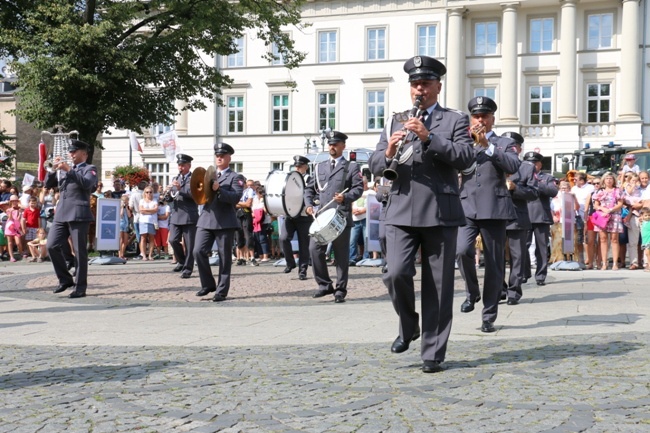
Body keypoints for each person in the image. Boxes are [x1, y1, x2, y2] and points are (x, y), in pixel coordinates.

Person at [368, 55, 474, 373]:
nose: (419, 89)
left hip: (440, 211)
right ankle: (409, 324)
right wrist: (387, 152)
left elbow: (466, 157)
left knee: (439, 286)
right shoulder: (395, 119)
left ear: (437, 87)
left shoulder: (454, 120)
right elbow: (375, 163)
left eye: (425, 83)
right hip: (400, 209)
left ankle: (433, 352)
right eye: (415, 84)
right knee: (395, 272)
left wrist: (430, 137)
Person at [455, 96, 520, 333]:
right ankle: (472, 292)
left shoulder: (504, 143)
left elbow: (513, 166)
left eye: (484, 116)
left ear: (492, 119)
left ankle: (489, 315)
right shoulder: (462, 141)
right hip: (466, 206)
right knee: (461, 250)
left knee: (494, 264)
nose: (480, 120)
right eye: (476, 116)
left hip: (494, 207)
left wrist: (488, 147)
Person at [305, 131, 363, 304]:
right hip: (322, 218)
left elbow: (358, 188)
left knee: (341, 256)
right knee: (314, 250)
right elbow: (309, 189)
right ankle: (324, 285)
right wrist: (308, 204)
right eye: (330, 144)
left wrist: (345, 197)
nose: (332, 146)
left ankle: (340, 289)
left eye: (336, 144)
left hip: (341, 217)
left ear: (343, 146)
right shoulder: (319, 167)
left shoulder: (351, 167)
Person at [46, 139, 98, 298]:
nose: (71, 154)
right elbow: (47, 184)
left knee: (80, 252)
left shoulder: (90, 169)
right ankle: (65, 279)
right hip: (61, 212)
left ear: (84, 154)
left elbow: (87, 184)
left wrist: (68, 169)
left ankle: (80, 287)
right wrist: (53, 170)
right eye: (70, 152)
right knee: (51, 245)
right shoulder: (66, 170)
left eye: (74, 152)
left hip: (78, 213)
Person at [193, 143, 245, 302]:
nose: (219, 158)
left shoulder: (236, 177)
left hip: (224, 221)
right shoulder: (209, 175)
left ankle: (221, 291)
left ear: (229, 157)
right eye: (217, 155)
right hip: (206, 219)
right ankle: (208, 284)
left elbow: (235, 197)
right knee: (198, 251)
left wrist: (219, 189)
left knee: (224, 257)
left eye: (222, 155)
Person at [503, 132, 538, 305]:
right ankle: (500, 288)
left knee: (517, 257)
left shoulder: (526, 167)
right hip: (496, 216)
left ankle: (514, 291)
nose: (510, 148)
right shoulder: (494, 162)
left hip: (517, 216)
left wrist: (516, 188)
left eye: (513, 145)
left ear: (519, 148)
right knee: (494, 257)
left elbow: (533, 193)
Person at [524, 151, 558, 286]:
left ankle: (541, 276)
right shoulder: (521, 175)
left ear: (540, 164)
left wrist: (536, 182)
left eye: (535, 163)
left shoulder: (547, 177)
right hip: (525, 215)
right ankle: (524, 272)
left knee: (542, 248)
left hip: (541, 216)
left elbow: (553, 191)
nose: (532, 165)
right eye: (529, 163)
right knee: (522, 247)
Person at [165, 154, 199, 278]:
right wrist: (168, 194)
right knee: (173, 240)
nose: (180, 167)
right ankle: (181, 261)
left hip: (190, 215)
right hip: (176, 214)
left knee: (190, 244)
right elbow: (172, 197)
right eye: (179, 165)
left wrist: (181, 189)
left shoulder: (194, 179)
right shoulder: (175, 178)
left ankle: (188, 268)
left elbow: (195, 195)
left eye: (183, 165)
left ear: (188, 166)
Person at [280, 155, 313, 280]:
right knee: (283, 238)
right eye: (296, 166)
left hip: (304, 215)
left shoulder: (309, 179)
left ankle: (303, 270)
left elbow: (312, 194)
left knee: (304, 244)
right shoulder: (290, 178)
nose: (297, 168)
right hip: (291, 214)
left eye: (300, 166)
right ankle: (290, 262)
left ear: (306, 167)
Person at [592, 171, 625, 270]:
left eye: (611, 178)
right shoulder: (600, 191)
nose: (609, 180)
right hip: (602, 216)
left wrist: (610, 210)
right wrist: (603, 209)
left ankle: (615, 263)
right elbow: (596, 205)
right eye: (607, 178)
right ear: (604, 180)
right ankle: (604, 263)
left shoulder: (617, 190)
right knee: (603, 239)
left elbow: (620, 204)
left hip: (614, 215)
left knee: (614, 239)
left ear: (614, 180)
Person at [570, 172, 594, 265]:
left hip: (588, 215)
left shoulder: (590, 188)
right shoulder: (573, 188)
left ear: (582, 180)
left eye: (576, 179)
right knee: (579, 238)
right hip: (576, 216)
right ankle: (581, 258)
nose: (574, 180)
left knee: (587, 238)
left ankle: (589, 258)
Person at [235, 179, 256, 266]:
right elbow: (233, 204)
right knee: (238, 236)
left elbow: (248, 204)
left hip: (246, 213)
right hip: (237, 213)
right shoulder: (236, 191)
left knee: (248, 235)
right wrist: (242, 203)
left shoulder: (249, 190)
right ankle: (241, 258)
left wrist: (238, 203)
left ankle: (252, 258)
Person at [349, 176, 369, 264]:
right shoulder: (355, 192)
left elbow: (374, 205)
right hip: (355, 219)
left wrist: (364, 210)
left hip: (365, 219)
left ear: (365, 184)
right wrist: (352, 210)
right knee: (352, 240)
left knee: (366, 239)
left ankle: (366, 257)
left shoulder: (371, 192)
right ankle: (351, 258)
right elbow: (350, 202)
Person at [139, 186, 158, 261]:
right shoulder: (142, 201)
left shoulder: (154, 200)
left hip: (152, 221)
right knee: (143, 238)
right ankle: (143, 255)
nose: (149, 193)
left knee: (151, 238)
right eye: (147, 192)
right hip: (143, 221)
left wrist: (146, 210)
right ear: (144, 193)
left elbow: (156, 209)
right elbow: (141, 210)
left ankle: (150, 254)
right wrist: (151, 210)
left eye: (150, 192)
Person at [252, 186, 271, 262]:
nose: (260, 195)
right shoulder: (255, 199)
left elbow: (266, 211)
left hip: (264, 221)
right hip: (256, 221)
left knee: (263, 239)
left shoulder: (266, 200)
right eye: (259, 193)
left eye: (261, 193)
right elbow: (253, 208)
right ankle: (260, 256)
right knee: (257, 239)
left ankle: (265, 256)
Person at [4, 195, 24, 262]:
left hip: (16, 227)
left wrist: (20, 212)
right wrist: (11, 212)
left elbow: (18, 219)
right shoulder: (8, 209)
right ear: (11, 201)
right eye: (13, 201)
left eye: (16, 200)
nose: (15, 202)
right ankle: (11, 257)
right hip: (10, 227)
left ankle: (21, 253)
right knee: (10, 243)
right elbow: (10, 219)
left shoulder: (19, 209)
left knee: (18, 242)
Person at [119, 194, 132, 260]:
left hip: (126, 225)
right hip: (120, 224)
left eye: (126, 201)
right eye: (124, 201)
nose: (125, 202)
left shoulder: (128, 207)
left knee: (125, 241)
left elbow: (129, 215)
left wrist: (126, 207)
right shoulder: (119, 207)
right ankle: (119, 254)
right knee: (121, 240)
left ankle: (122, 254)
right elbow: (120, 215)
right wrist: (122, 207)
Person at [639, 207, 650, 271]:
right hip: (645, 241)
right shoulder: (643, 223)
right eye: (646, 215)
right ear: (642, 216)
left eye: (649, 215)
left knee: (648, 254)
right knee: (646, 254)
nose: (648, 217)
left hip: (649, 241)